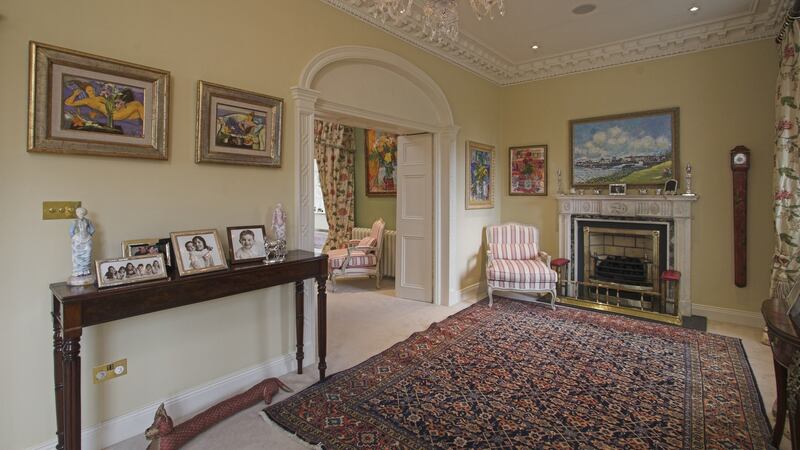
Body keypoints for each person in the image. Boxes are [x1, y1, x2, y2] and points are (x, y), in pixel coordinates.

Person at [64, 82, 145, 123]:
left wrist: (117, 103)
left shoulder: (99, 97)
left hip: (115, 110)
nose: (92, 91)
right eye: (89, 90)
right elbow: (68, 103)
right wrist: (74, 95)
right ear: (86, 92)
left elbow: (109, 104)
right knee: (137, 104)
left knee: (137, 112)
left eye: (92, 89)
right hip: (114, 114)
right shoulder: (87, 101)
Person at [68, 207, 96, 286]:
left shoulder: (88, 221)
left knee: (88, 253)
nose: (81, 214)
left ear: (84, 214)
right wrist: (75, 238)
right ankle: (78, 271)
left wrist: (89, 235)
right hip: (78, 240)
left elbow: (92, 229)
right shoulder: (74, 222)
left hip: (86, 239)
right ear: (77, 214)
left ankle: (86, 271)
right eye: (79, 213)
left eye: (82, 213)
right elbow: (71, 231)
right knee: (77, 255)